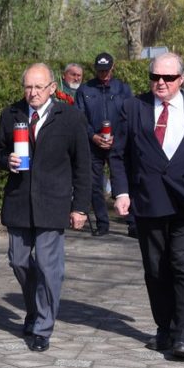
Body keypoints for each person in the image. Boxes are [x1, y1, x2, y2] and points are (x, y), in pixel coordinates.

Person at [110, 53, 184, 359]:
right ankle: (165, 329)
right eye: (155, 77)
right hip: (150, 201)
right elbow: (119, 155)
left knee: (183, 264)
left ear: (182, 79)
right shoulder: (133, 108)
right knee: (156, 269)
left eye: (168, 78)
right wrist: (121, 192)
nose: (160, 83)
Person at [0, 63, 90, 352]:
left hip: (53, 203)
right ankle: (35, 308)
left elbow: (83, 166)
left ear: (51, 88)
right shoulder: (11, 114)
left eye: (38, 87)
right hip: (20, 202)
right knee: (18, 260)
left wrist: (80, 207)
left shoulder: (70, 117)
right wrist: (5, 158)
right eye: (28, 87)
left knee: (49, 268)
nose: (32, 93)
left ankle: (43, 327)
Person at [75, 52, 134, 237]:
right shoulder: (85, 90)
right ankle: (102, 223)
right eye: (100, 71)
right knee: (95, 185)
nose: (104, 74)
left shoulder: (123, 89)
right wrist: (92, 136)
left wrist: (118, 136)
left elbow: (129, 115)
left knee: (124, 181)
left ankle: (133, 222)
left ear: (112, 68)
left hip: (118, 144)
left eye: (107, 70)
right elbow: (80, 118)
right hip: (94, 145)